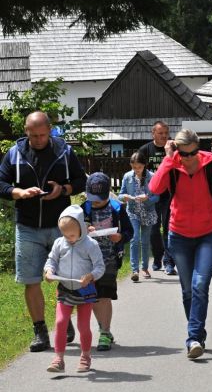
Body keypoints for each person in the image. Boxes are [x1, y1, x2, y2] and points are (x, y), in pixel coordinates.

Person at [0, 111, 87, 352]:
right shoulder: (15, 153)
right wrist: (17, 193)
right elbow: (1, 182)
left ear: (50, 130)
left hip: (61, 225)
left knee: (67, 277)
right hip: (27, 226)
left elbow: (81, 180)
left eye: (42, 134)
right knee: (31, 280)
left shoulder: (65, 152)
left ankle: (64, 319)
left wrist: (64, 188)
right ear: (26, 131)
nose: (38, 139)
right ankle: (40, 332)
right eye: (33, 135)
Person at [149, 129, 212, 360]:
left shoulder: (210, 165)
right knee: (187, 291)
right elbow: (154, 189)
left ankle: (193, 337)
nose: (188, 158)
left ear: (199, 148)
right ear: (176, 150)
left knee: (199, 285)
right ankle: (198, 335)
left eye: (192, 152)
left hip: (209, 234)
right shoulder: (172, 165)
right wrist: (168, 158)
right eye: (183, 153)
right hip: (179, 235)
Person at [44, 206, 105, 373]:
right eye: (65, 235)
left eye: (72, 235)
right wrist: (49, 271)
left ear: (81, 228)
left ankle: (85, 356)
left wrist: (91, 276)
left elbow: (100, 267)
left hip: (85, 291)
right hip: (65, 289)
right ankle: (59, 359)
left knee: (83, 326)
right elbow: (52, 261)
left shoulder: (90, 245)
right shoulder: (59, 243)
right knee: (60, 322)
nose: (68, 238)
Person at [82, 172, 133, 351]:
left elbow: (129, 232)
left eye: (99, 199)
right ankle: (104, 328)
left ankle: (104, 332)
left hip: (109, 259)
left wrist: (120, 237)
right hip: (88, 261)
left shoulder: (118, 208)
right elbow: (72, 231)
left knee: (104, 296)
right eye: (92, 198)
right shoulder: (83, 209)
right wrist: (84, 229)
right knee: (93, 297)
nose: (94, 202)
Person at [138, 121, 175, 274]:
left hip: (169, 195)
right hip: (151, 196)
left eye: (166, 133)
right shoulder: (145, 150)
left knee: (168, 229)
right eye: (160, 133)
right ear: (153, 133)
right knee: (153, 230)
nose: (164, 136)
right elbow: (138, 172)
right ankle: (158, 258)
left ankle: (169, 262)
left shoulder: (173, 149)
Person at [118, 152, 160, 282]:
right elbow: (120, 194)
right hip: (133, 212)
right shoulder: (127, 176)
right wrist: (124, 197)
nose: (136, 170)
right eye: (134, 167)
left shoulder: (152, 176)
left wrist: (147, 198)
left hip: (148, 212)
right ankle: (134, 270)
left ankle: (145, 268)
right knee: (134, 239)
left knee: (145, 241)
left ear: (144, 165)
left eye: (139, 167)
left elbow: (157, 196)